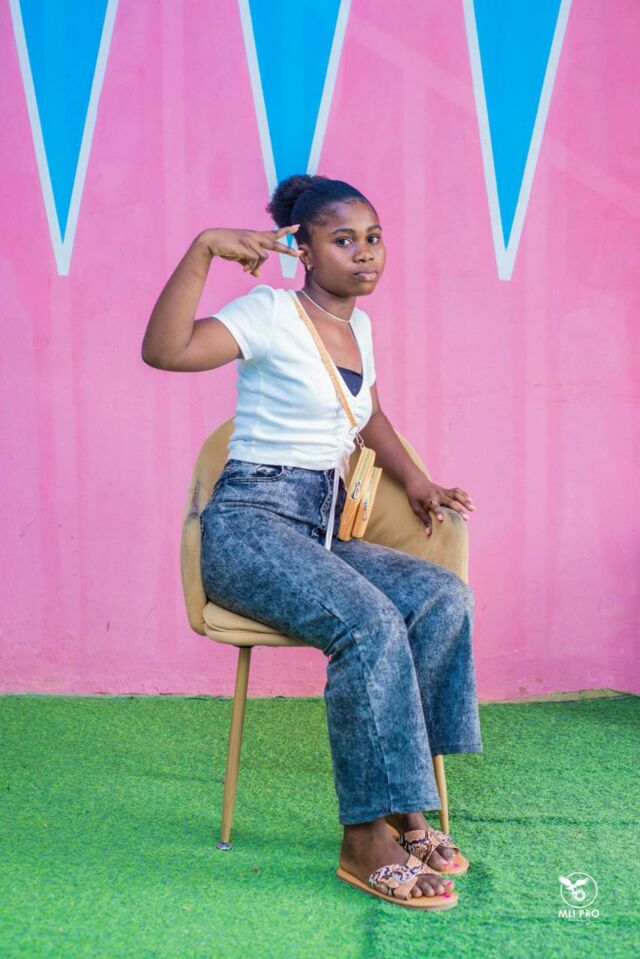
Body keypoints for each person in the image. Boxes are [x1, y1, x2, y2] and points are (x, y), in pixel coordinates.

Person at [141, 174, 483, 909]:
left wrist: (418, 481)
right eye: (343, 239)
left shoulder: (361, 329)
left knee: (441, 597)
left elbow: (368, 412)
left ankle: (406, 810)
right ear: (301, 249)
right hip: (249, 527)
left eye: (373, 237)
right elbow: (165, 351)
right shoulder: (268, 312)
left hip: (319, 531)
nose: (365, 253)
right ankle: (364, 840)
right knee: (368, 623)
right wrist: (203, 249)